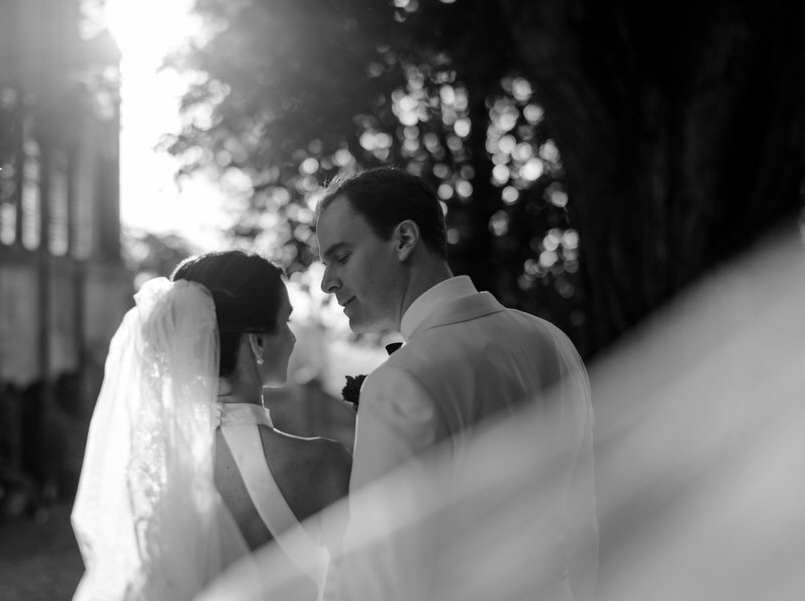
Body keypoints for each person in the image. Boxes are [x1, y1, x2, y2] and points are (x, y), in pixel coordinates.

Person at [315, 167, 598, 601]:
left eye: (341, 256)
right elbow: (588, 523)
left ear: (404, 239)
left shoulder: (400, 382)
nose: (326, 282)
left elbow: (381, 580)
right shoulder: (553, 341)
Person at [71, 250, 351, 601]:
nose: (293, 339)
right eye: (288, 321)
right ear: (258, 341)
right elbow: (364, 585)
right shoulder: (324, 463)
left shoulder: (154, 471)